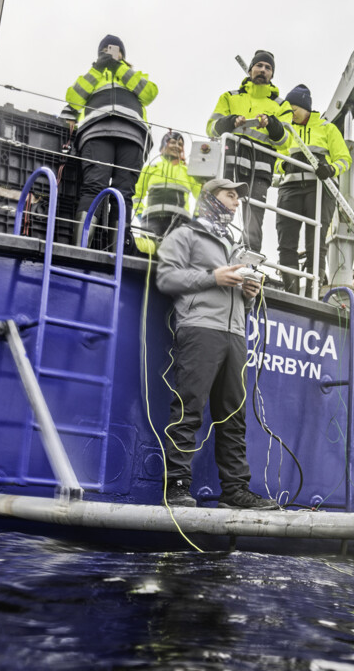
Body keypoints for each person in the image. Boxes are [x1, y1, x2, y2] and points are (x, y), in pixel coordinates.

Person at [153, 178, 277, 510]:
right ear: (210, 198)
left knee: (233, 416)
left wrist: (249, 295)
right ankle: (177, 488)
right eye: (230, 195)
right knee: (189, 409)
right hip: (199, 329)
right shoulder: (185, 235)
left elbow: (236, 294)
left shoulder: (236, 244)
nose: (236, 203)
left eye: (238, 197)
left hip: (235, 334)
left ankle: (235, 491)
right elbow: (165, 277)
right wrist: (214, 276)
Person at [65, 34, 158, 245]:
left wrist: (119, 68)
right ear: (99, 55)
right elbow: (73, 98)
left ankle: (117, 251)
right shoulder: (93, 75)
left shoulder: (134, 75)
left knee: (123, 193)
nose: (110, 53)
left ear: (122, 55)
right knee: (94, 186)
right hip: (97, 133)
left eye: (114, 50)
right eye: (105, 50)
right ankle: (81, 246)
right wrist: (99, 68)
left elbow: (150, 93)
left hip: (132, 136)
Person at [207, 49, 291, 254]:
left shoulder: (282, 105)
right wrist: (230, 121)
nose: (263, 70)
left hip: (260, 172)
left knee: (253, 223)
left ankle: (249, 267)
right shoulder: (229, 97)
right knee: (220, 213)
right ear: (251, 69)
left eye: (268, 67)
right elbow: (211, 128)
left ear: (272, 74)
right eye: (259, 66)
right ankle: (212, 254)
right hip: (230, 164)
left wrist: (271, 124)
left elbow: (285, 142)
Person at [273, 84, 351, 294]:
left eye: (293, 108)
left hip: (318, 189)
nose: (290, 113)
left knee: (315, 244)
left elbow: (345, 159)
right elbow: (273, 158)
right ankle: (290, 291)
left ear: (305, 107)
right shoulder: (285, 128)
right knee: (286, 242)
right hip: (289, 188)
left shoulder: (327, 128)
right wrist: (284, 165)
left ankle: (311, 292)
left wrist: (331, 169)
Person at [131, 130, 201, 253]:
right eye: (173, 142)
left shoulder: (189, 171)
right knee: (148, 254)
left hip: (181, 223)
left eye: (180, 144)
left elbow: (202, 197)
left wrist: (195, 219)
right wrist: (140, 215)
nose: (177, 146)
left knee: (176, 258)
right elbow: (136, 194)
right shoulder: (151, 168)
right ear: (163, 145)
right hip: (151, 221)